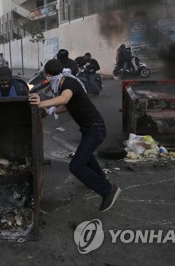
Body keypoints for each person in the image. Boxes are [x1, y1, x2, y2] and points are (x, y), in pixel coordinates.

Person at [28, 59, 121, 212]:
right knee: (87, 159)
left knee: (76, 166)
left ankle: (107, 190)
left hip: (95, 129)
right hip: (89, 129)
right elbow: (67, 105)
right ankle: (103, 182)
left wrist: (41, 103)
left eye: (48, 77)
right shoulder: (65, 83)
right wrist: (50, 111)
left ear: (50, 75)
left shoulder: (69, 84)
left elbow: (64, 99)